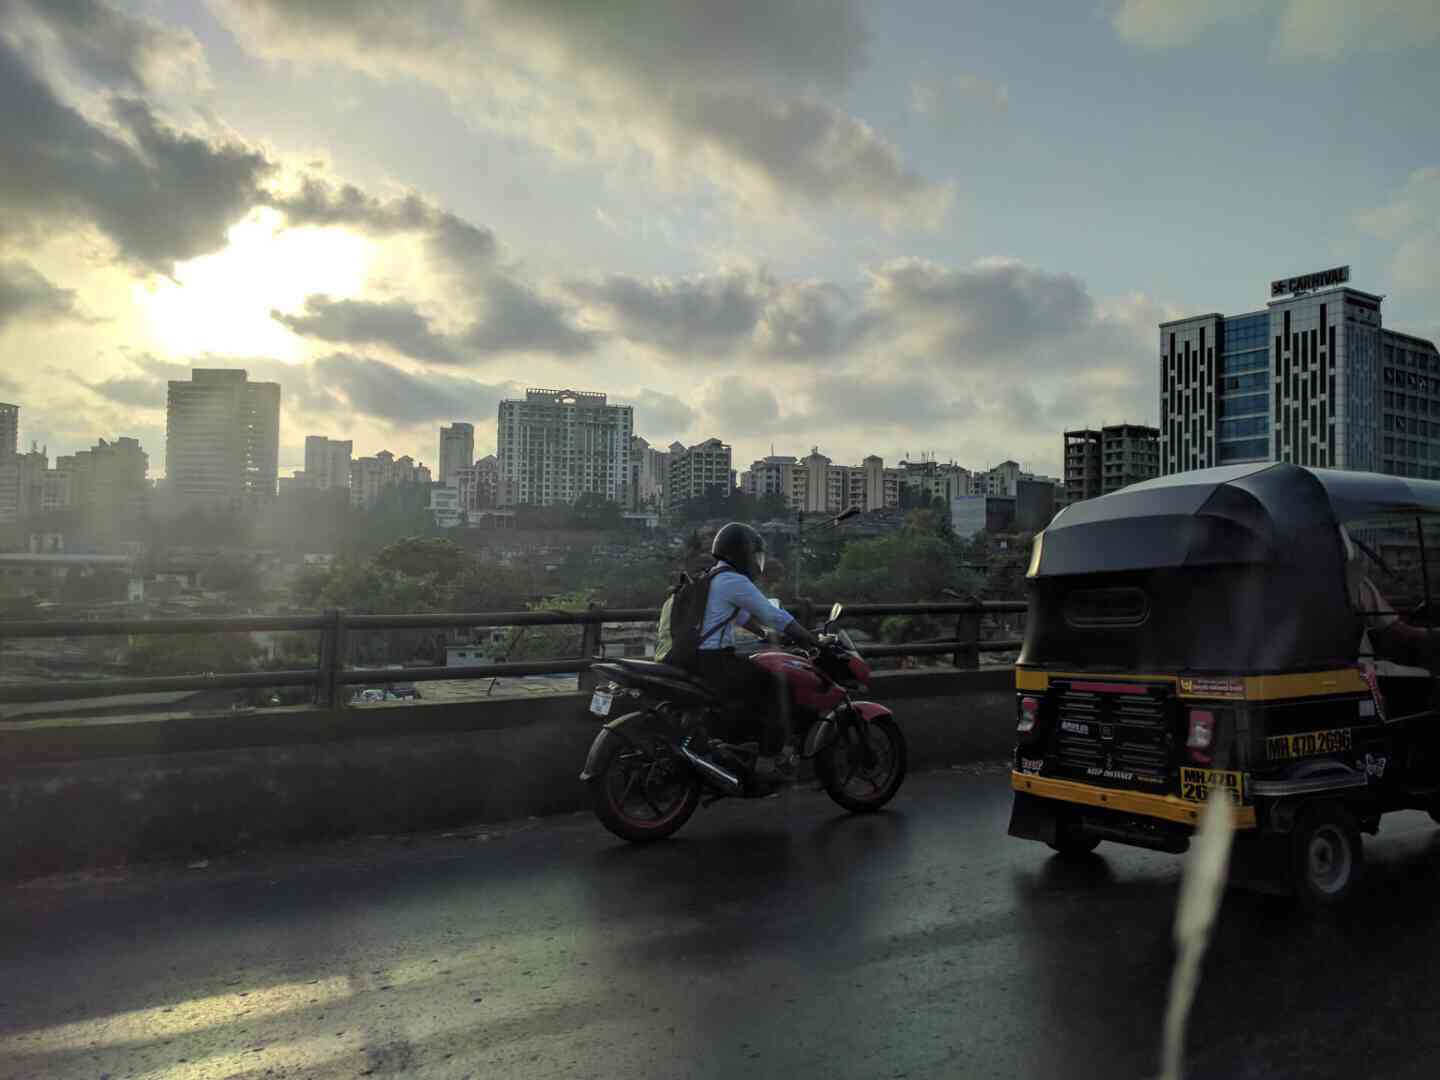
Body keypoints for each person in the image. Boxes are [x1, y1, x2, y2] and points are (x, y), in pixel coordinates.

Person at [695, 522, 819, 782]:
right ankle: (767, 761)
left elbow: (738, 615)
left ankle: (742, 747)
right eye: (754, 555)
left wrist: (765, 635)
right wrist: (808, 638)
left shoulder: (714, 576)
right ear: (742, 554)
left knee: (753, 683)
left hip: (703, 660)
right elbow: (773, 614)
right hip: (716, 661)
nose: (756, 562)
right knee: (777, 686)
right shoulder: (733, 580)